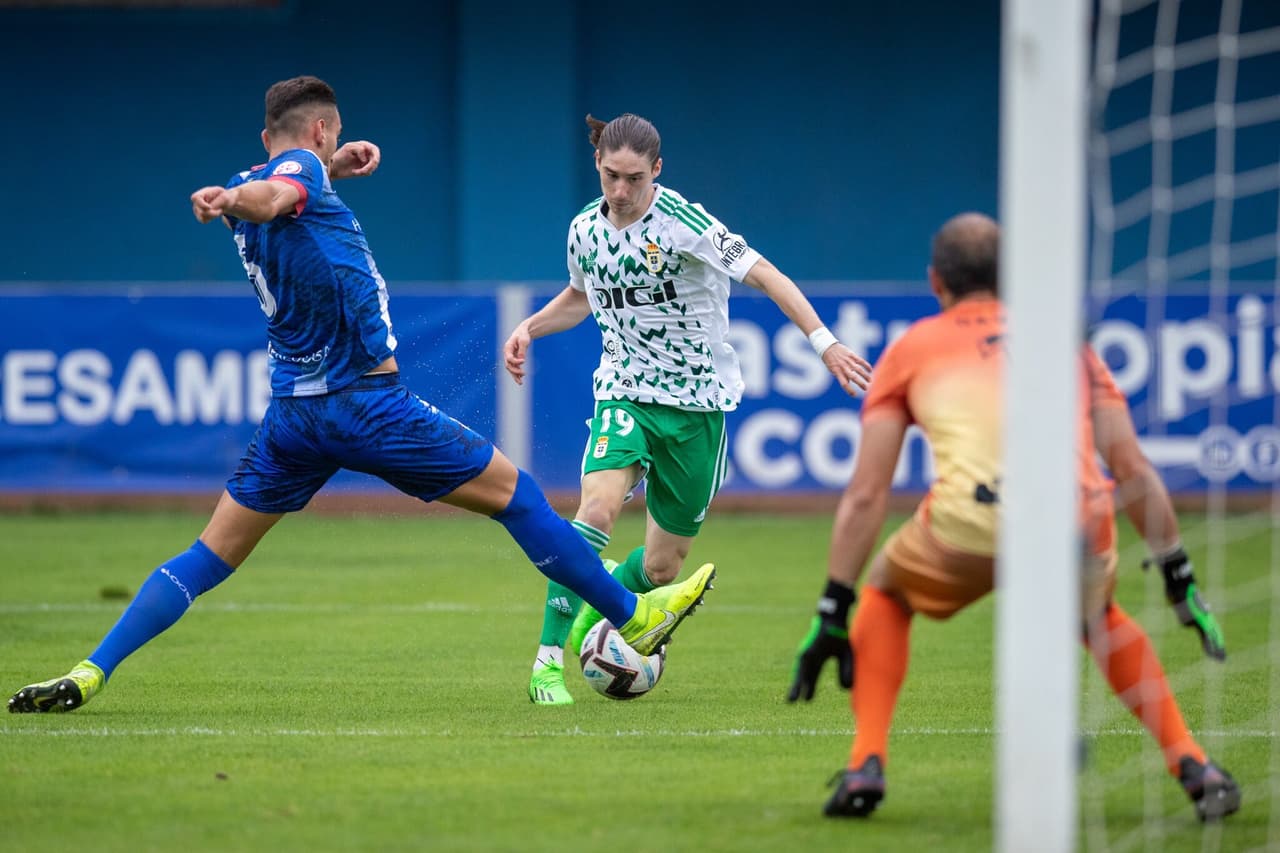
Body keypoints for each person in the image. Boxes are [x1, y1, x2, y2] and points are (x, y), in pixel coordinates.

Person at [7, 76, 715, 715]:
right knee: (521, 498)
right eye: (332, 140)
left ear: (268, 139)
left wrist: (272, 185)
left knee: (207, 555)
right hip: (366, 405)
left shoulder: (267, 178)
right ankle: (630, 613)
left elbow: (275, 194)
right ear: (319, 133)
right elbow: (279, 194)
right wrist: (261, 189)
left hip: (294, 416)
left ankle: (91, 669)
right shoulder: (285, 180)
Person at [785, 212, 1239, 822]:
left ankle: (867, 762)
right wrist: (1178, 572)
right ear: (1009, 277)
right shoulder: (1063, 343)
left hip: (968, 526)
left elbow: (868, 493)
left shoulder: (913, 347)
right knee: (1098, 615)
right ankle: (1191, 761)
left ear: (935, 282)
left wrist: (831, 607)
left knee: (887, 594)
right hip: (1075, 524)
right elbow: (1131, 469)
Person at [503, 113, 872, 705]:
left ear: (656, 170)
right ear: (597, 165)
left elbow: (768, 276)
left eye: (633, 179)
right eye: (609, 176)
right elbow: (581, 296)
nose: (620, 192)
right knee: (595, 509)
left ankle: (586, 626)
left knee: (662, 567)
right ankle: (546, 665)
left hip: (698, 404)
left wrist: (824, 343)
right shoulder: (583, 230)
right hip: (624, 390)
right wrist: (530, 327)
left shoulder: (684, 221)